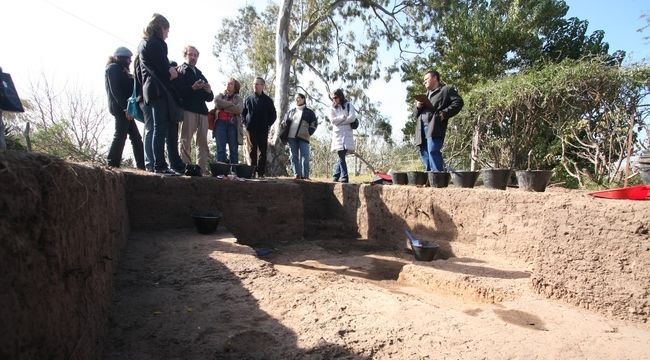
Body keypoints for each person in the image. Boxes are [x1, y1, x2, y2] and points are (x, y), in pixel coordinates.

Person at [137, 13, 185, 175]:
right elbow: (166, 71)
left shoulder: (143, 44)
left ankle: (159, 164)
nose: (168, 33)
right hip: (159, 89)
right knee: (160, 128)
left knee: (158, 128)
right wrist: (172, 71)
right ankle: (160, 165)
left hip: (151, 90)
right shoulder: (157, 44)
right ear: (160, 27)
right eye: (167, 29)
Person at [414, 70, 463, 172]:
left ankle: (437, 178)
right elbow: (415, 115)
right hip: (421, 128)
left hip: (434, 126)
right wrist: (417, 107)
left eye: (426, 79)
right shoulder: (424, 96)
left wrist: (444, 114)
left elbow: (458, 102)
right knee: (424, 152)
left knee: (433, 150)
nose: (424, 82)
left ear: (435, 78)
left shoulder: (446, 90)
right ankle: (429, 178)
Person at [174, 45, 213, 175]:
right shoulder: (180, 70)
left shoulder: (200, 73)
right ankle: (185, 169)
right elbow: (178, 92)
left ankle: (200, 170)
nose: (193, 57)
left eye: (195, 55)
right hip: (187, 110)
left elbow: (209, 98)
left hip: (202, 112)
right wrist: (192, 88)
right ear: (185, 55)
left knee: (202, 144)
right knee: (185, 140)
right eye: (191, 54)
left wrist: (208, 90)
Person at [105, 47, 145, 169]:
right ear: (120, 58)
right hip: (120, 108)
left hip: (126, 108)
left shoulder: (122, 70)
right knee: (121, 134)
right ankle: (112, 162)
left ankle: (142, 165)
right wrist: (125, 108)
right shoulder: (113, 68)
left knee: (135, 137)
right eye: (128, 59)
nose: (130, 61)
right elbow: (115, 90)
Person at [241, 77, 276, 177]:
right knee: (252, 151)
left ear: (262, 86)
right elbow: (243, 113)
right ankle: (252, 172)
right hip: (251, 129)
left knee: (263, 151)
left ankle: (261, 173)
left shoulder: (268, 100)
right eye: (254, 84)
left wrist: (267, 124)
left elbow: (273, 115)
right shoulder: (248, 99)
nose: (254, 86)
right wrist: (246, 123)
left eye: (257, 84)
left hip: (263, 130)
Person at [280, 93, 318, 180]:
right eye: (295, 98)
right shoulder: (291, 112)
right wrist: (284, 123)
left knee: (305, 155)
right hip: (291, 137)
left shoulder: (309, 112)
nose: (296, 100)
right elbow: (283, 122)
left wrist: (309, 132)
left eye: (298, 98)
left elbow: (314, 123)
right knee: (293, 156)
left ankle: (305, 176)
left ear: (303, 99)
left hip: (303, 136)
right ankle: (297, 174)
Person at [214, 78, 244, 164]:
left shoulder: (239, 98)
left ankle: (234, 172)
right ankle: (220, 173)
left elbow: (238, 110)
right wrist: (231, 105)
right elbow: (217, 102)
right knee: (220, 150)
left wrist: (224, 107)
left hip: (233, 125)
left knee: (234, 150)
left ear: (235, 87)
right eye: (227, 83)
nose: (228, 85)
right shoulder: (220, 95)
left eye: (231, 84)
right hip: (220, 124)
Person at [329, 89, 356, 183]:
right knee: (341, 155)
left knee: (342, 155)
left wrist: (340, 122)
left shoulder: (349, 105)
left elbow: (352, 118)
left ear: (340, 96)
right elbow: (333, 121)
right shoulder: (332, 108)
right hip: (338, 135)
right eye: (332, 98)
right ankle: (344, 177)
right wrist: (343, 117)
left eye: (335, 98)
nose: (334, 100)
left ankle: (336, 176)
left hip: (347, 134)